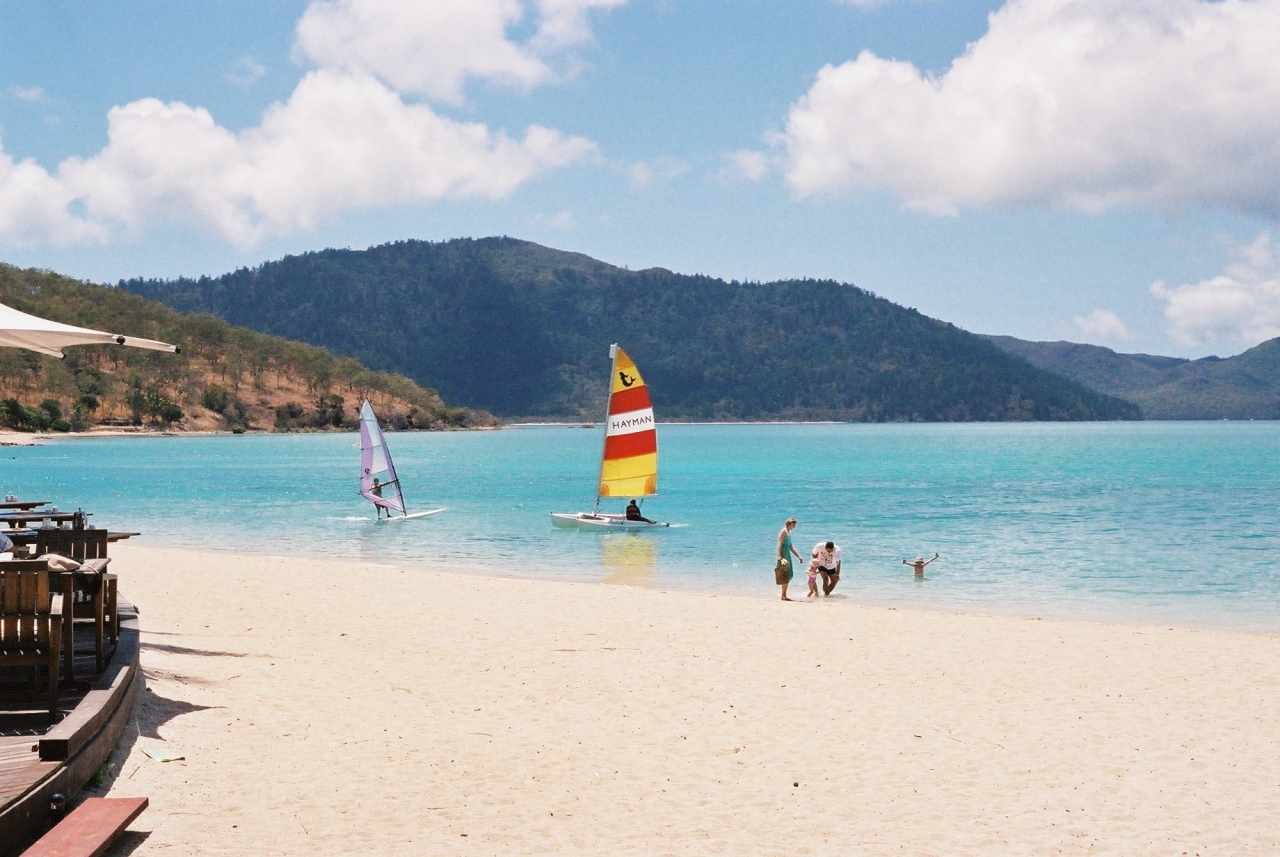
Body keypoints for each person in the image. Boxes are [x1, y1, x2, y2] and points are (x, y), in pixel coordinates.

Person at [776, 518, 802, 601]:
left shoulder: (788, 533)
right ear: (790, 524)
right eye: (794, 525)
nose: (794, 526)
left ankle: (784, 595)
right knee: (784, 574)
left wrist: (798, 556)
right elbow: (780, 543)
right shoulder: (783, 531)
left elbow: (791, 547)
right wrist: (779, 555)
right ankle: (783, 596)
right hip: (783, 555)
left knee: (788, 574)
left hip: (787, 555)